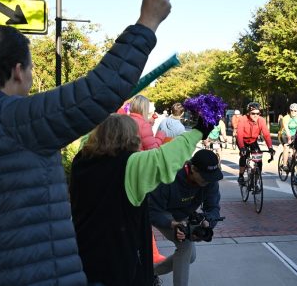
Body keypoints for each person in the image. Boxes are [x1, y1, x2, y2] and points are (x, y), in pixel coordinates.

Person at [0, 0, 171, 285]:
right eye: (31, 68)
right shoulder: (19, 120)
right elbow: (101, 89)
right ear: (17, 72)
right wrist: (148, 20)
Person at [69, 114, 213, 285]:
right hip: (117, 258)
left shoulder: (81, 161)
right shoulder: (129, 165)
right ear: (130, 137)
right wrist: (198, 131)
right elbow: (165, 158)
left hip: (84, 251)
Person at [149, 149, 223, 286]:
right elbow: (151, 211)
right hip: (162, 211)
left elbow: (213, 208)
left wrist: (207, 221)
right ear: (193, 169)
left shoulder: (209, 179)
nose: (208, 181)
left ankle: (148, 274)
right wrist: (172, 224)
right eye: (205, 176)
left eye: (210, 177)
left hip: (184, 214)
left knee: (190, 257)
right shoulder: (170, 176)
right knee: (185, 247)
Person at [236, 102, 275, 184]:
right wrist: (242, 147)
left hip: (253, 141)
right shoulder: (242, 119)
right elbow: (239, 134)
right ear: (248, 113)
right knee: (243, 156)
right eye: (253, 113)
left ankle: (256, 182)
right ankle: (241, 176)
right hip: (243, 140)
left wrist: (270, 147)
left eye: (258, 113)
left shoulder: (261, 120)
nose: (255, 115)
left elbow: (266, 135)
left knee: (259, 160)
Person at [280, 103, 297, 171]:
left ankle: (291, 159)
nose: (293, 112)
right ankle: (284, 165)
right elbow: (286, 129)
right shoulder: (286, 118)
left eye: (295, 111)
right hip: (285, 134)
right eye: (291, 110)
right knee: (286, 146)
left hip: (294, 135)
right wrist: (289, 139)